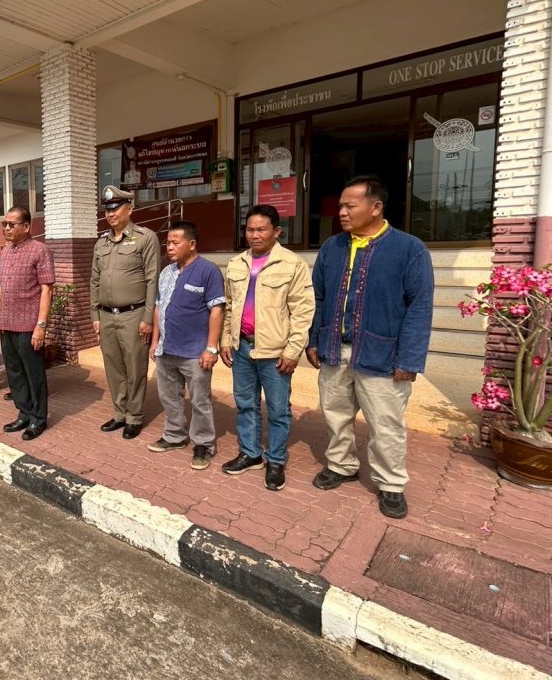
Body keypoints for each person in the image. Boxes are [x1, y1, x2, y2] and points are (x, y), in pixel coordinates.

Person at [306, 175, 434, 520]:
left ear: (376, 207)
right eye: (340, 206)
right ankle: (341, 465)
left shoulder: (408, 249)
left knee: (385, 424)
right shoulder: (332, 247)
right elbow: (318, 298)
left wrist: (410, 359)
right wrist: (314, 340)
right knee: (335, 415)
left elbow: (420, 307)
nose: (342, 212)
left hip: (383, 354)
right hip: (335, 349)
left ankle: (391, 484)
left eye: (350, 206)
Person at [219, 205, 315, 491]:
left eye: (261, 229)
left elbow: (302, 311)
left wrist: (293, 350)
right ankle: (250, 453)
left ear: (277, 232)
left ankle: (275, 460)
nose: (254, 235)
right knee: (245, 404)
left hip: (275, 352)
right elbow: (229, 306)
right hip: (242, 347)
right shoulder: (237, 263)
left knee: (278, 409)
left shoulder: (293, 264)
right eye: (250, 229)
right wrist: (226, 339)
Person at [147, 222, 226, 470]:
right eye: (168, 243)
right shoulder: (166, 272)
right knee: (169, 397)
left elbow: (217, 310)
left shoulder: (208, 271)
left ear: (191, 244)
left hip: (195, 352)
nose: (170, 247)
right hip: (167, 348)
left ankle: (203, 444)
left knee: (200, 401)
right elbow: (159, 307)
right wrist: (155, 340)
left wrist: (211, 348)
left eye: (175, 242)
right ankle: (174, 436)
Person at [91, 185, 160, 440]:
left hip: (134, 315)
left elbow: (153, 280)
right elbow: (94, 281)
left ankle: (134, 417)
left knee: (135, 367)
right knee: (114, 368)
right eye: (107, 210)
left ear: (129, 209)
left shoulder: (145, 238)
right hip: (106, 316)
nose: (110, 214)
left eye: (116, 208)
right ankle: (120, 413)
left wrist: (147, 319)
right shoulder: (101, 242)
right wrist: (95, 316)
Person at [0, 205, 55, 441]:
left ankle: (38, 418)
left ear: (27, 226)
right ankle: (24, 412)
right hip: (7, 323)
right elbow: (1, 288)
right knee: (15, 372)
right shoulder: (5, 252)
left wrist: (41, 326)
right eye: (4, 224)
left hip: (29, 325)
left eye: (11, 224)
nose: (6, 228)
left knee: (33, 373)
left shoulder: (40, 251)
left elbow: (47, 289)